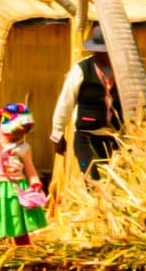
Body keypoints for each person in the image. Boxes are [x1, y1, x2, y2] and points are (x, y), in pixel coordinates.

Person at [50, 24, 123, 180]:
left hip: (115, 138)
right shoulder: (82, 69)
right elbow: (66, 102)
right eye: (101, 51)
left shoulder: (123, 70)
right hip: (87, 137)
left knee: (114, 182)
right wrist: (57, 133)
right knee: (93, 179)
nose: (105, 55)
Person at [0, 103, 47, 245]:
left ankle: (22, 247)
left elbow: (29, 167)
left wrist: (35, 181)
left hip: (14, 188)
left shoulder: (23, 147)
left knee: (17, 218)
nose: (20, 135)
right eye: (17, 131)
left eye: (23, 132)